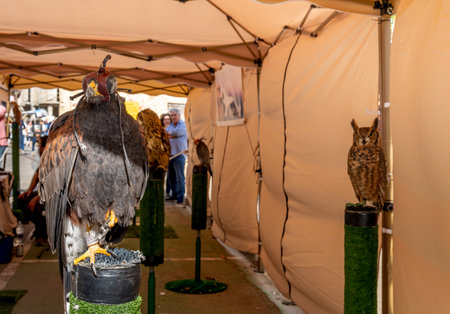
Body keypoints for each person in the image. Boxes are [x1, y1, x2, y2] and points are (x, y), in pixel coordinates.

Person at [18, 136, 48, 245]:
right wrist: (29, 190)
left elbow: (53, 187)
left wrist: (36, 198)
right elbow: (37, 176)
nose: (40, 151)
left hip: (54, 196)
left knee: (37, 207)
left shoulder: (55, 163)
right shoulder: (43, 162)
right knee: (22, 199)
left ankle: (42, 235)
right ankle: (39, 228)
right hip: (43, 193)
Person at [165, 108, 188, 205]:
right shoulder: (170, 126)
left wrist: (170, 135)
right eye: (172, 115)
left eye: (175, 115)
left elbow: (176, 133)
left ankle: (180, 196)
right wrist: (169, 135)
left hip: (179, 155)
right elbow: (165, 134)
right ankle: (174, 194)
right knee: (171, 177)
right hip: (170, 155)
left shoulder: (182, 125)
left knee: (180, 177)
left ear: (179, 116)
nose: (173, 117)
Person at [160, 113, 172, 197]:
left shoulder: (173, 128)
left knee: (171, 175)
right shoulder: (160, 129)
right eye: (165, 119)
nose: (166, 121)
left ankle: (169, 192)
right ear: (162, 121)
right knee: (162, 173)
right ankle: (164, 192)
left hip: (172, 154)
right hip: (163, 154)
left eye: (168, 119)